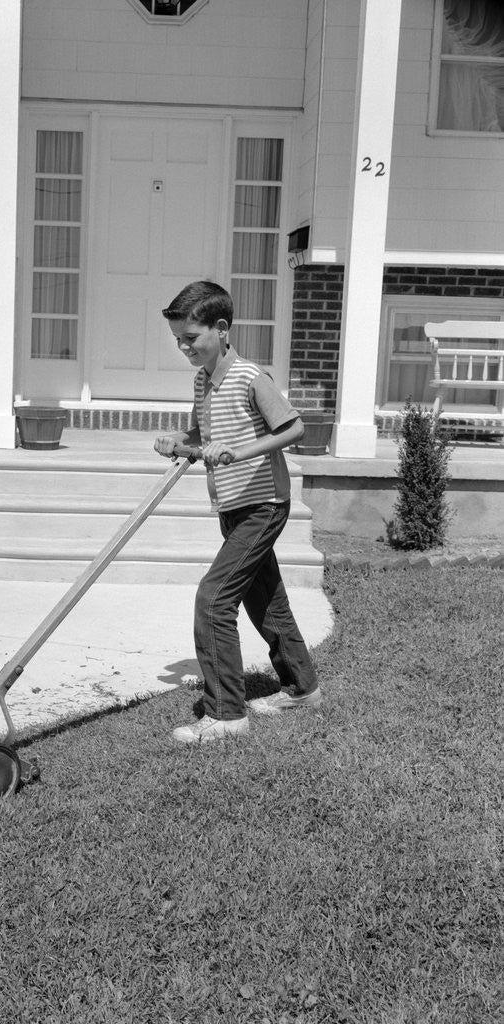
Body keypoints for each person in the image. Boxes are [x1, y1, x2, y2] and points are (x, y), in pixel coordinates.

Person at [154, 280, 321, 744]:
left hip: (263, 504)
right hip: (231, 504)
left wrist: (241, 452)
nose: (184, 347)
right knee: (264, 599)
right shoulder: (203, 380)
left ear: (221, 328)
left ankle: (226, 714)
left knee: (214, 599)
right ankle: (302, 688)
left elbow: (294, 428)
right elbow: (204, 434)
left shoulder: (251, 377)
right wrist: (179, 442)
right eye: (178, 340)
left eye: (191, 337)